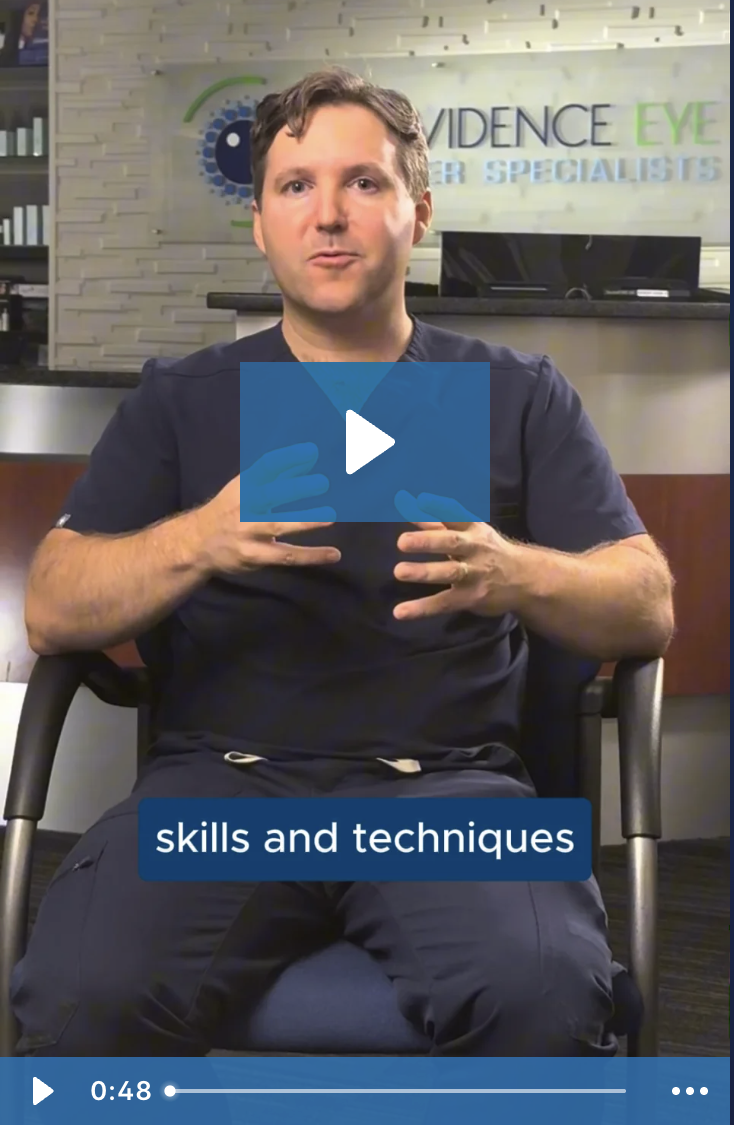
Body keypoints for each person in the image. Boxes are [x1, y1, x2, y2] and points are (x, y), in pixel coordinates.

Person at [13, 66, 674, 1057]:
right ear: (259, 223)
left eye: (363, 182)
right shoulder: (182, 398)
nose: (327, 214)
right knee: (79, 996)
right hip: (221, 791)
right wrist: (198, 538)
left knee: (543, 996)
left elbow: (646, 603)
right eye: (295, 186)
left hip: (448, 793)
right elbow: (54, 606)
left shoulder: (517, 393)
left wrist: (511, 570)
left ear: (419, 212)